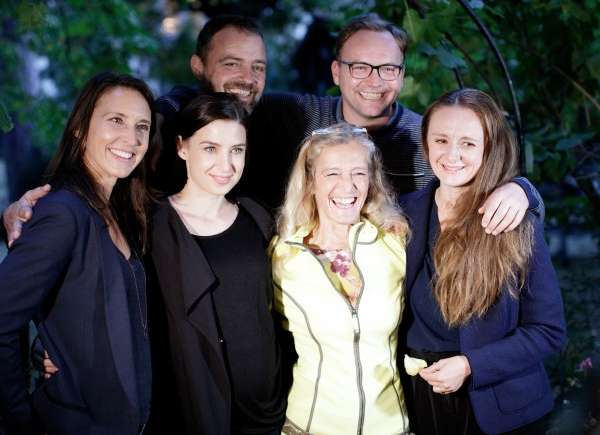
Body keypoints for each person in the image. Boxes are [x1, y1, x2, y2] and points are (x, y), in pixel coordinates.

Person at [2, 13, 537, 241]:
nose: (373, 81)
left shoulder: (427, 138)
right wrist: (46, 197)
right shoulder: (295, 115)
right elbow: (211, 106)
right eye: (359, 67)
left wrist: (522, 189)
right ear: (336, 72)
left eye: (387, 69)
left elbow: (482, 174)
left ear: (402, 74)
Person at [399, 89, 566, 434]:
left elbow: (548, 331)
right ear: (426, 143)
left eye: (469, 143)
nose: (452, 155)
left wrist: (471, 365)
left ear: (489, 148)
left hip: (501, 408)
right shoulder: (403, 211)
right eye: (441, 140)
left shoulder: (513, 219)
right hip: (421, 400)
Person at [0, 72, 155, 435]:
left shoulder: (120, 212)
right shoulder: (63, 213)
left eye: (142, 126)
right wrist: (21, 421)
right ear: (80, 129)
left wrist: (56, 346)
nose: (132, 138)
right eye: (116, 120)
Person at [148, 93, 286, 434]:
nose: (226, 165)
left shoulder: (258, 216)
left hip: (268, 409)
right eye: (210, 148)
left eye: (236, 150)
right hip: (194, 411)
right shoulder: (152, 225)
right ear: (181, 147)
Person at [271, 123, 411, 434]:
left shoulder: (394, 243)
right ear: (310, 182)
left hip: (391, 426)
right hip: (308, 426)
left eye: (358, 173)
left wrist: (519, 190)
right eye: (332, 173)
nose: (347, 187)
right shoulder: (283, 256)